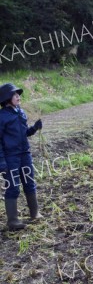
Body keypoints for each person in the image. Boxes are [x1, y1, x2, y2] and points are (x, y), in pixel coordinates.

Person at [0, 83, 43, 230]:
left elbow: (25, 134)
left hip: (25, 154)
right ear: (6, 99)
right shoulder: (2, 117)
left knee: (29, 182)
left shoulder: (21, 112)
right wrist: (2, 162)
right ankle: (12, 221)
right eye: (14, 94)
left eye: (18, 94)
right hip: (10, 157)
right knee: (13, 187)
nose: (18, 96)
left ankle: (34, 213)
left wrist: (34, 128)